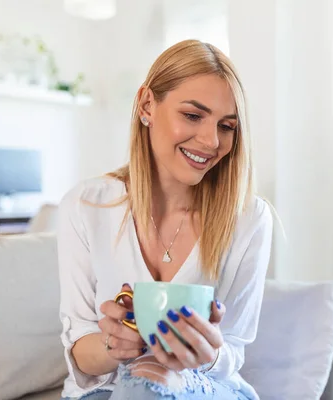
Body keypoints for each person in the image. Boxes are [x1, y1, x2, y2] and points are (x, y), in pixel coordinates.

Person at [57, 39, 273, 400]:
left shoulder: (249, 219)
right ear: (146, 105)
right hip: (110, 391)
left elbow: (232, 350)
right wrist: (114, 344)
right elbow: (80, 347)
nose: (211, 141)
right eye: (192, 116)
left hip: (205, 389)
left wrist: (210, 353)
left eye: (227, 126)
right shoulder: (86, 206)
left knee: (153, 379)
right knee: (140, 381)